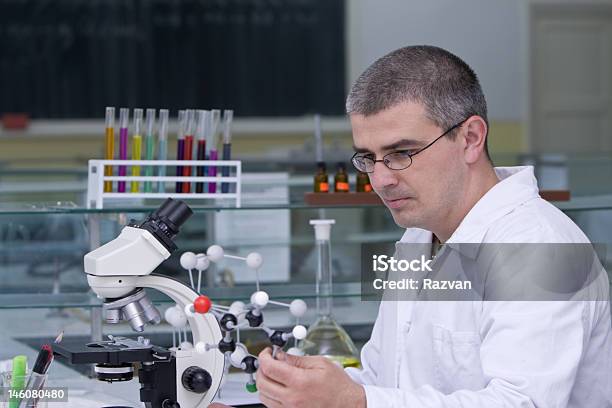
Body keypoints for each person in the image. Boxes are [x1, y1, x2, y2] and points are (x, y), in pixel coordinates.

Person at [210, 45, 611, 407]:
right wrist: (301, 394)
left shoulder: (541, 248)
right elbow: (386, 380)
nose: (380, 180)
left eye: (402, 153)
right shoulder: (419, 236)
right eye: (368, 157)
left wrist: (353, 402)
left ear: (471, 138)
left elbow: (521, 404)